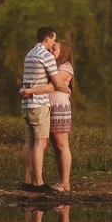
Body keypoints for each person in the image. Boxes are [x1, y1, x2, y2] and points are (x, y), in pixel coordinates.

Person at [21, 27, 70, 192]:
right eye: (53, 40)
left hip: (26, 104)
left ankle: (27, 180)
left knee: (29, 143)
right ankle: (38, 182)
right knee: (40, 143)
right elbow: (56, 83)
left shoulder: (30, 54)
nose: (53, 43)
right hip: (39, 103)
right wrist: (67, 89)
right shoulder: (46, 55)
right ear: (47, 38)